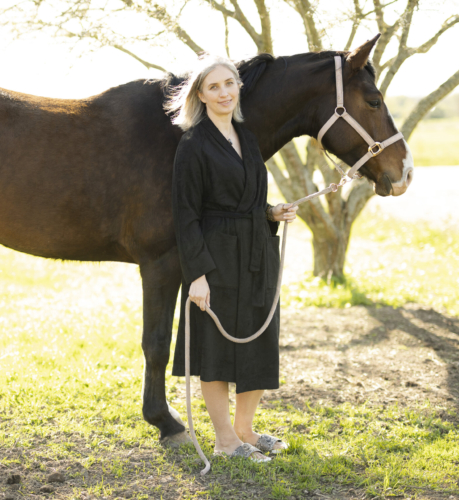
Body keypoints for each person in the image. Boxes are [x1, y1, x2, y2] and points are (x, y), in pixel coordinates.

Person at [166, 55, 298, 462]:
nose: (224, 92)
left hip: (258, 253)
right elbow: (186, 216)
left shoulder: (248, 136)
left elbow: (249, 200)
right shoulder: (193, 144)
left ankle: (245, 430)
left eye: (229, 84)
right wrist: (198, 276)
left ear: (238, 87)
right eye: (214, 87)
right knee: (217, 352)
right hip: (216, 258)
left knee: (257, 343)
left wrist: (271, 212)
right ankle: (225, 441)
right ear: (201, 96)